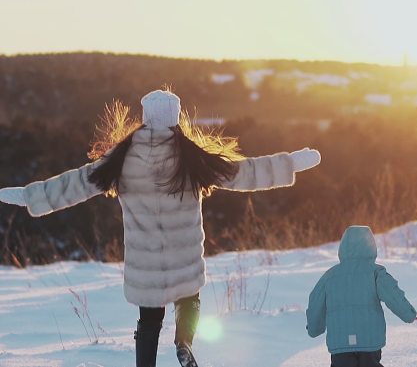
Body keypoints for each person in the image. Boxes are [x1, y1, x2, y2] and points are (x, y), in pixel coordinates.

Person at [0, 89, 322, 367]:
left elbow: (75, 183)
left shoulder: (121, 159)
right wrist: (290, 164)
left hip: (146, 265)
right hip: (184, 260)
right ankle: (184, 342)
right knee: (189, 299)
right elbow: (243, 172)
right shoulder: (191, 157)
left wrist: (30, 196)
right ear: (175, 118)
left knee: (149, 319)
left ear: (145, 117)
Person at [306, 225, 417, 367]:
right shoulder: (375, 272)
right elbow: (394, 295)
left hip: (340, 342)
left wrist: (314, 328)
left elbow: (315, 302)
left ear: (343, 247)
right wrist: (409, 314)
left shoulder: (329, 276)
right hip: (369, 340)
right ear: (371, 246)